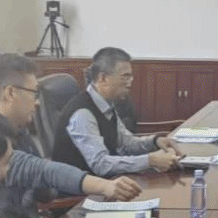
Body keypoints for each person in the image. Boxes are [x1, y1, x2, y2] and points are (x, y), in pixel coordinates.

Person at [0, 53, 141, 218]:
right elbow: (41, 170)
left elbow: (44, 192)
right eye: (34, 93)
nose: (37, 103)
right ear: (11, 93)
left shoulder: (18, 129)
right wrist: (104, 186)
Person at [51, 47, 183, 175]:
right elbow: (100, 164)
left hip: (106, 183)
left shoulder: (106, 105)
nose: (129, 83)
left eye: (130, 77)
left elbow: (126, 143)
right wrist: (150, 161)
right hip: (81, 188)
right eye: (125, 77)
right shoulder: (82, 114)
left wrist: (155, 142)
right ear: (103, 78)